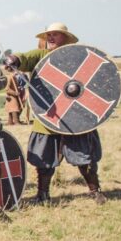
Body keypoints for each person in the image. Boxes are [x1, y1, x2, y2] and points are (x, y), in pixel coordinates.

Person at [15, 22, 107, 204]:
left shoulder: (77, 57)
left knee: (84, 156)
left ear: (65, 38)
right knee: (45, 160)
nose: (50, 37)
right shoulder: (41, 56)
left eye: (55, 34)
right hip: (49, 116)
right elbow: (23, 58)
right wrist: (14, 59)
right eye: (48, 35)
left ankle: (94, 191)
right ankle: (42, 195)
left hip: (75, 115)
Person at [2, 54, 26, 125]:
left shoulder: (18, 75)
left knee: (17, 107)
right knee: (14, 108)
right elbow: (7, 89)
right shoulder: (9, 77)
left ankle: (11, 121)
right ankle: (16, 121)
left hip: (19, 93)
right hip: (12, 96)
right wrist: (15, 93)